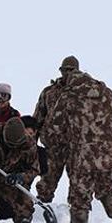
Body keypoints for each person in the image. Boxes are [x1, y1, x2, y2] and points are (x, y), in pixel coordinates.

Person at [50, 58, 112, 223]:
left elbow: (55, 127)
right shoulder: (107, 92)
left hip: (84, 155)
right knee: (107, 190)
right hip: (110, 153)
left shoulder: (68, 95)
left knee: (79, 197)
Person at [33, 57, 75, 203]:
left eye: (71, 71)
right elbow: (38, 117)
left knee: (78, 182)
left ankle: (77, 214)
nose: (68, 74)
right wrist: (32, 142)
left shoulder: (81, 92)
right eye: (65, 70)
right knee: (47, 181)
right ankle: (42, 208)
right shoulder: (49, 92)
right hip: (53, 146)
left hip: (75, 146)